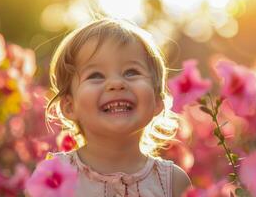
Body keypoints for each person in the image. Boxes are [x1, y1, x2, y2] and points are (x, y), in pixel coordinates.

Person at [45, 18, 191, 197]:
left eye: (131, 72)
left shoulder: (173, 182)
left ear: (157, 100)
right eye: (96, 75)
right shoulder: (53, 176)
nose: (116, 83)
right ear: (69, 106)